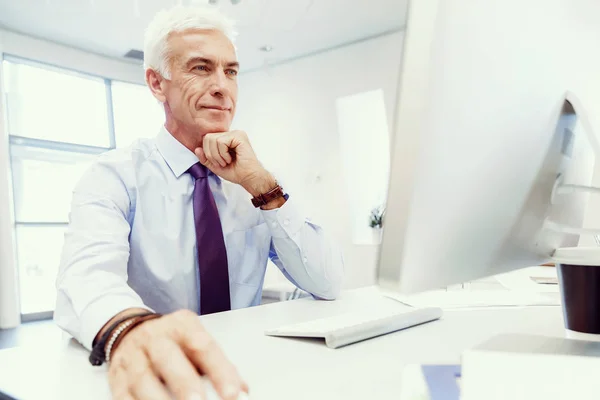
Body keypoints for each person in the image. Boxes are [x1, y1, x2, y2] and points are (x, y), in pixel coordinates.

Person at [54, 5, 344, 400]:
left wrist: (263, 187)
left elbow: (326, 282)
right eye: (201, 68)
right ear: (157, 84)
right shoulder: (114, 176)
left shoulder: (255, 181)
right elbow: (86, 277)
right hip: (159, 376)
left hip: (253, 375)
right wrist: (129, 329)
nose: (224, 87)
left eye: (232, 71)